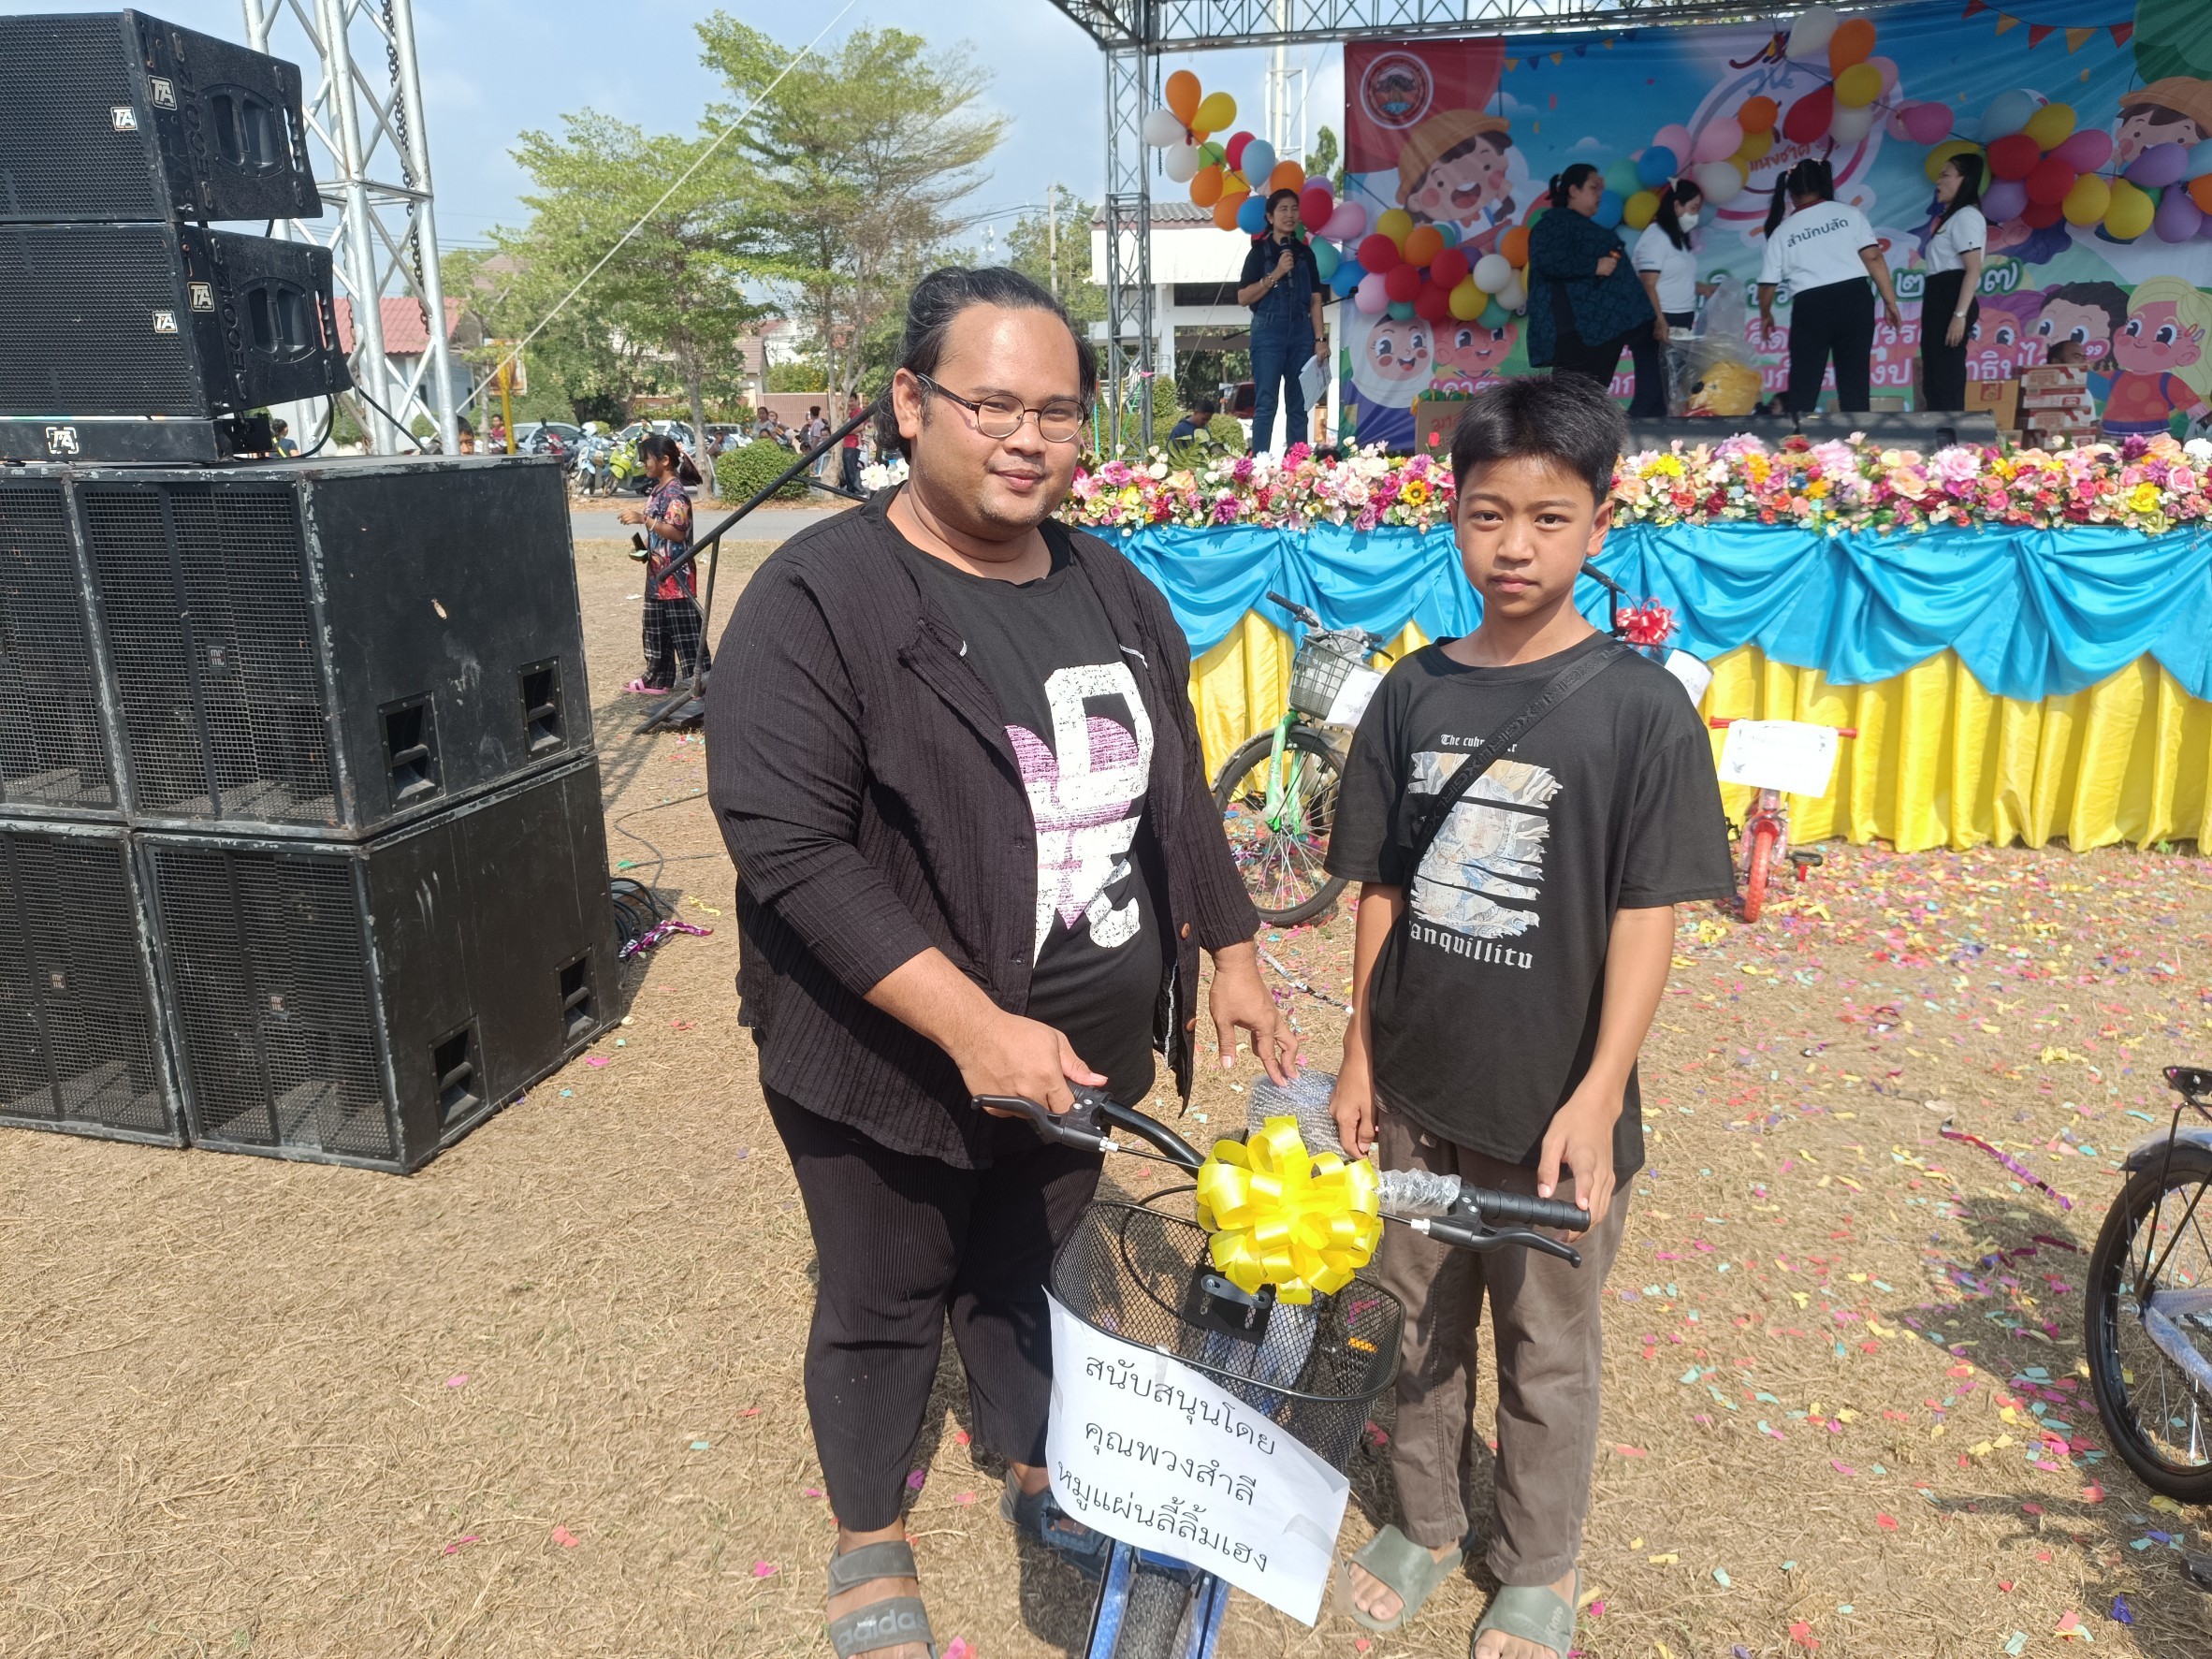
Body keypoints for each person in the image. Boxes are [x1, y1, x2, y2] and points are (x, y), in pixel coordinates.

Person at [705, 265, 1300, 1659]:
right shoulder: (820, 598)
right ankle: (870, 1534)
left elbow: (1175, 786)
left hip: (1078, 1058)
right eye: (992, 406)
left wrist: (1232, 946)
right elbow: (792, 848)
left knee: (1032, 1264)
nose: (1028, 440)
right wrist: (974, 1027)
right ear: (911, 404)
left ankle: (1038, 1461)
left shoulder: (1111, 584)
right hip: (885, 1059)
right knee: (883, 1292)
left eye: (1059, 413)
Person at [1327, 373, 1734, 1655]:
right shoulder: (1412, 694)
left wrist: (1600, 1095)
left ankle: (1539, 1562)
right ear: (1451, 515)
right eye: (1487, 513)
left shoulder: (1640, 708)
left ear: (1600, 524)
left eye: (1550, 519)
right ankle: (1426, 1518)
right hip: (1417, 1094)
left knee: (1548, 1342)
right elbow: (1382, 888)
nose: (1515, 546)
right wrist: (1359, 1057)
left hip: (1554, 1105)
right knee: (1415, 1315)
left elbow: (1648, 912)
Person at [1756, 159, 1903, 415]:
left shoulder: (1781, 232)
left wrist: (1765, 314)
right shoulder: (1850, 214)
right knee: (1854, 381)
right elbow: (1873, 257)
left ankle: (1797, 438)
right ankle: (1859, 439)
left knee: (1804, 383)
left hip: (1811, 307)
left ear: (1790, 192)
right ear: (1823, 184)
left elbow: (1768, 286)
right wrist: (1890, 302)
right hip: (1855, 300)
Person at [1525, 164, 1659, 413]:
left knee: (1589, 400)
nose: (1599, 194)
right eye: (1593, 187)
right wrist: (1593, 265)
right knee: (1570, 402)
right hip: (1575, 328)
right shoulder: (1551, 224)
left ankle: (1645, 411)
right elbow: (1545, 259)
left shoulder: (1593, 230)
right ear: (1573, 191)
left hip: (1604, 328)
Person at [1236, 187, 1328, 454]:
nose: (1290, 214)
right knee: (1266, 403)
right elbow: (1243, 297)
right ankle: (1259, 463)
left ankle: (1297, 464)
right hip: (1268, 331)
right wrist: (1276, 273)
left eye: (1294, 209)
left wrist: (1320, 339)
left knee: (1298, 405)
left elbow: (1315, 300)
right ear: (1270, 217)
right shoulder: (1258, 253)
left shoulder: (1305, 254)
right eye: (1283, 209)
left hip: (1302, 332)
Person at [618, 434, 707, 694]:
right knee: (656, 631)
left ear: (665, 460)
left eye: (646, 459)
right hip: (657, 576)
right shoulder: (658, 491)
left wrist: (643, 519)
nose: (643, 464)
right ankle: (658, 679)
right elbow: (658, 530)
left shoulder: (675, 493)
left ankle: (702, 682)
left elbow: (677, 532)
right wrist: (644, 549)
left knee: (687, 634)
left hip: (677, 578)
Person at [1631, 179, 1709, 415]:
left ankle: (1653, 439)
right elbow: (1648, 283)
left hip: (1679, 321)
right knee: (1651, 389)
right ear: (1676, 205)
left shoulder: (1677, 238)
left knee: (1667, 390)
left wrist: (1706, 290)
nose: (1695, 216)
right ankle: (1627, 435)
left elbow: (1674, 278)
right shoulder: (1655, 236)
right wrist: (1660, 320)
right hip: (1657, 321)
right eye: (1693, 208)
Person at [1917, 157, 1986, 414]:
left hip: (1951, 296)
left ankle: (1952, 434)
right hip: (1939, 295)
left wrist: (1959, 315)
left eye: (1945, 175)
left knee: (1946, 375)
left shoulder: (1967, 216)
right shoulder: (1953, 218)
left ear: (1964, 180)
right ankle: (1939, 430)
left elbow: (1973, 268)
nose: (1938, 181)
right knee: (1934, 375)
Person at [839, 394, 865, 492]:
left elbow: (861, 427)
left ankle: (857, 489)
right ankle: (850, 489)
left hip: (854, 444)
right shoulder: (846, 412)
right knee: (847, 466)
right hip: (846, 444)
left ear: (856, 400)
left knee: (852, 466)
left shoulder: (858, 412)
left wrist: (844, 431)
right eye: (848, 401)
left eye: (852, 400)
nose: (850, 403)